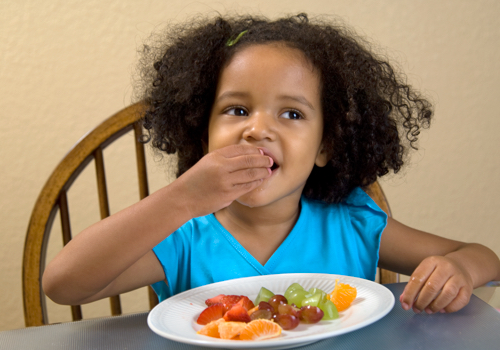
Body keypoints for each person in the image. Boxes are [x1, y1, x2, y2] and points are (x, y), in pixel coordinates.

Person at [43, 13, 500, 315]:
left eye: (292, 114)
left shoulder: (354, 224)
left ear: (326, 147)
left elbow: (485, 259)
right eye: (237, 110)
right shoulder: (184, 235)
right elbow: (64, 285)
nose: (257, 130)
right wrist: (182, 198)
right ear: (202, 136)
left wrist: (459, 271)